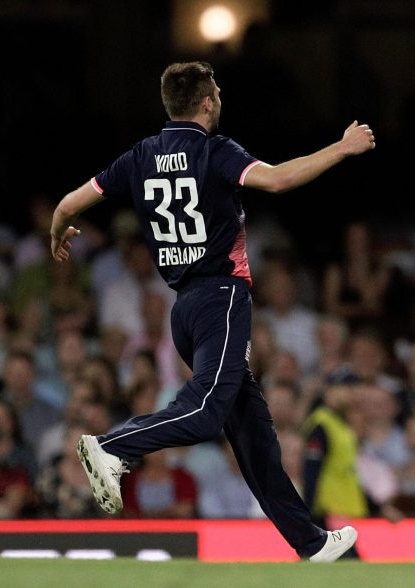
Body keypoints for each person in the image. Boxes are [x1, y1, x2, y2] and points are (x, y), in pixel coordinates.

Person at [49, 61, 374, 561]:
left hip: (185, 308)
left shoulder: (141, 155)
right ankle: (114, 446)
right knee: (205, 412)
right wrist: (342, 148)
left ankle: (310, 543)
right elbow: (279, 180)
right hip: (221, 298)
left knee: (253, 431)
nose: (219, 97)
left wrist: (58, 228)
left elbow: (71, 202)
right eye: (216, 91)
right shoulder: (215, 150)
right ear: (206, 101)